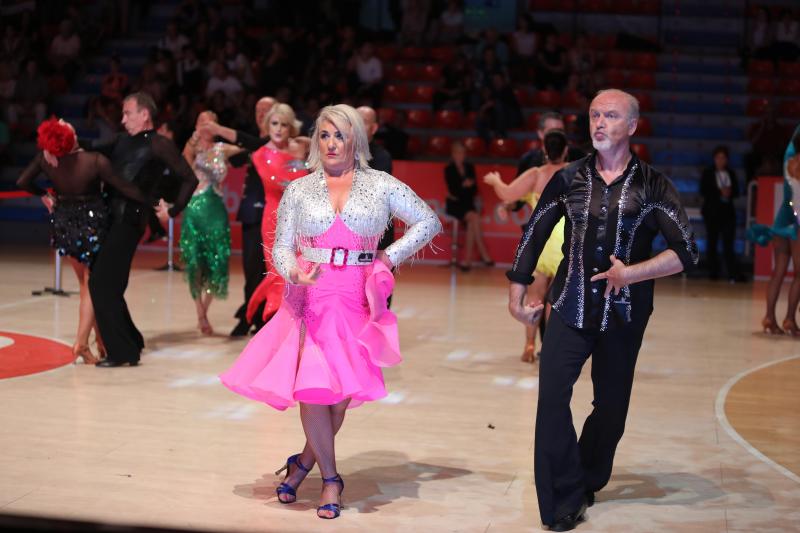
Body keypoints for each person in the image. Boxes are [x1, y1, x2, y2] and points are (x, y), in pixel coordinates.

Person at [219, 104, 441, 519]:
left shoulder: (381, 184)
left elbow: (428, 222)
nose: (332, 143)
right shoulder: (300, 189)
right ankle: (332, 480)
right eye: (324, 135)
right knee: (315, 389)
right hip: (311, 300)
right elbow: (282, 246)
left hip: (356, 298)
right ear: (316, 141)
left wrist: (386, 258)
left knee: (339, 397)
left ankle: (302, 463)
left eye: (340, 134)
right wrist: (293, 273)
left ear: (356, 139)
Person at [506, 89, 697, 530]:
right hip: (569, 307)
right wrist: (516, 289)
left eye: (610, 115)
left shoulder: (653, 185)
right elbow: (534, 232)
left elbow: (686, 251)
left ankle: (588, 476)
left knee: (610, 410)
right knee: (551, 399)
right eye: (594, 114)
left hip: (625, 314)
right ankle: (563, 499)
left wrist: (630, 273)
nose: (599, 122)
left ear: (631, 126)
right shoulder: (569, 178)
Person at [17, 117, 152, 364]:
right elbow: (124, 187)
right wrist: (151, 202)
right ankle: (81, 342)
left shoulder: (48, 161)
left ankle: (100, 342)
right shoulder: (94, 161)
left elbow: (22, 182)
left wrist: (45, 194)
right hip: (92, 226)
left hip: (65, 226)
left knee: (86, 285)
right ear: (71, 137)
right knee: (92, 285)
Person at [86, 92, 198, 367]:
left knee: (101, 284)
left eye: (128, 113)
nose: (123, 119)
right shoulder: (121, 140)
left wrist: (173, 210)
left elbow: (189, 178)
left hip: (130, 220)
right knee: (108, 283)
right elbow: (90, 146)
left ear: (144, 114)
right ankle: (131, 341)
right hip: (111, 217)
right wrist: (62, 140)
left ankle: (123, 352)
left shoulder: (160, 144)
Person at [202, 102, 310, 325]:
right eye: (274, 123)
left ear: (291, 127)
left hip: (303, 221)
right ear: (267, 125)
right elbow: (281, 184)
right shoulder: (261, 154)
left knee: (304, 273)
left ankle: (299, 323)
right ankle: (277, 321)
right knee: (280, 274)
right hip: (274, 221)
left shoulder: (301, 147)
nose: (279, 128)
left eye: (284, 124)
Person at [484, 130, 569, 362]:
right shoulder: (574, 172)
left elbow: (508, 193)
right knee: (556, 302)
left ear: (544, 150)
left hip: (540, 243)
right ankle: (551, 350)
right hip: (564, 244)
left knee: (534, 298)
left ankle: (529, 346)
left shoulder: (535, 175)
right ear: (566, 150)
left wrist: (495, 181)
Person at [180, 110, 240, 335]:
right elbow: (185, 155)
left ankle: (204, 309)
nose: (205, 125)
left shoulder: (222, 149)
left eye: (210, 122)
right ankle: (200, 313)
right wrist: (195, 137)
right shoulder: (192, 149)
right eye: (201, 121)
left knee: (218, 261)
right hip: (195, 209)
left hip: (216, 210)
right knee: (195, 263)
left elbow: (247, 146)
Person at [226, 96, 273, 337]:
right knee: (250, 269)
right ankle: (250, 315)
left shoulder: (274, 144)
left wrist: (239, 147)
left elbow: (258, 147)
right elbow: (233, 160)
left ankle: (264, 317)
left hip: (272, 215)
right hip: (251, 213)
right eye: (258, 109)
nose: (261, 113)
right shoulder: (254, 145)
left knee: (270, 270)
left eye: (267, 109)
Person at [747, 126, 800, 335]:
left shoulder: (789, 158)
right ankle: (789, 319)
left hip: (783, 218)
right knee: (799, 274)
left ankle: (769, 316)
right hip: (797, 221)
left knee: (779, 271)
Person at [357, 106, 395, 306]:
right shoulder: (338, 152)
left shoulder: (381, 157)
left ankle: (379, 330)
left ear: (374, 128)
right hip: (350, 233)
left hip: (377, 233)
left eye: (363, 120)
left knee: (379, 286)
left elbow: (376, 194)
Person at [444, 140, 493, 271]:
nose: (461, 155)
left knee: (473, 220)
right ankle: (483, 254)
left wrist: (465, 188)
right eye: (458, 153)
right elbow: (454, 191)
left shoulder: (469, 167)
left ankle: (467, 261)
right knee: (474, 217)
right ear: (453, 154)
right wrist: (465, 186)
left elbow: (474, 189)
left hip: (467, 204)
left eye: (463, 153)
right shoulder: (449, 169)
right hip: (455, 205)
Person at [700, 146, 744, 282]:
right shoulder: (708, 173)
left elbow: (736, 191)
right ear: (714, 159)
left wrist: (729, 192)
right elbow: (703, 190)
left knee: (728, 244)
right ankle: (713, 272)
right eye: (718, 157)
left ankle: (732, 272)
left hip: (727, 213)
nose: (720, 160)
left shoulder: (731, 173)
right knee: (712, 243)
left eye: (723, 158)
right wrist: (719, 192)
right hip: (712, 212)